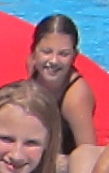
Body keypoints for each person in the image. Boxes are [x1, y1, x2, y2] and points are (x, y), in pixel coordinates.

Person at [26, 14, 98, 151]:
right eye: (46, 52)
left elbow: (89, 153)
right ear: (33, 52)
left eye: (63, 54)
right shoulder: (33, 66)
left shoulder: (76, 97)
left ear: (74, 56)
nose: (53, 61)